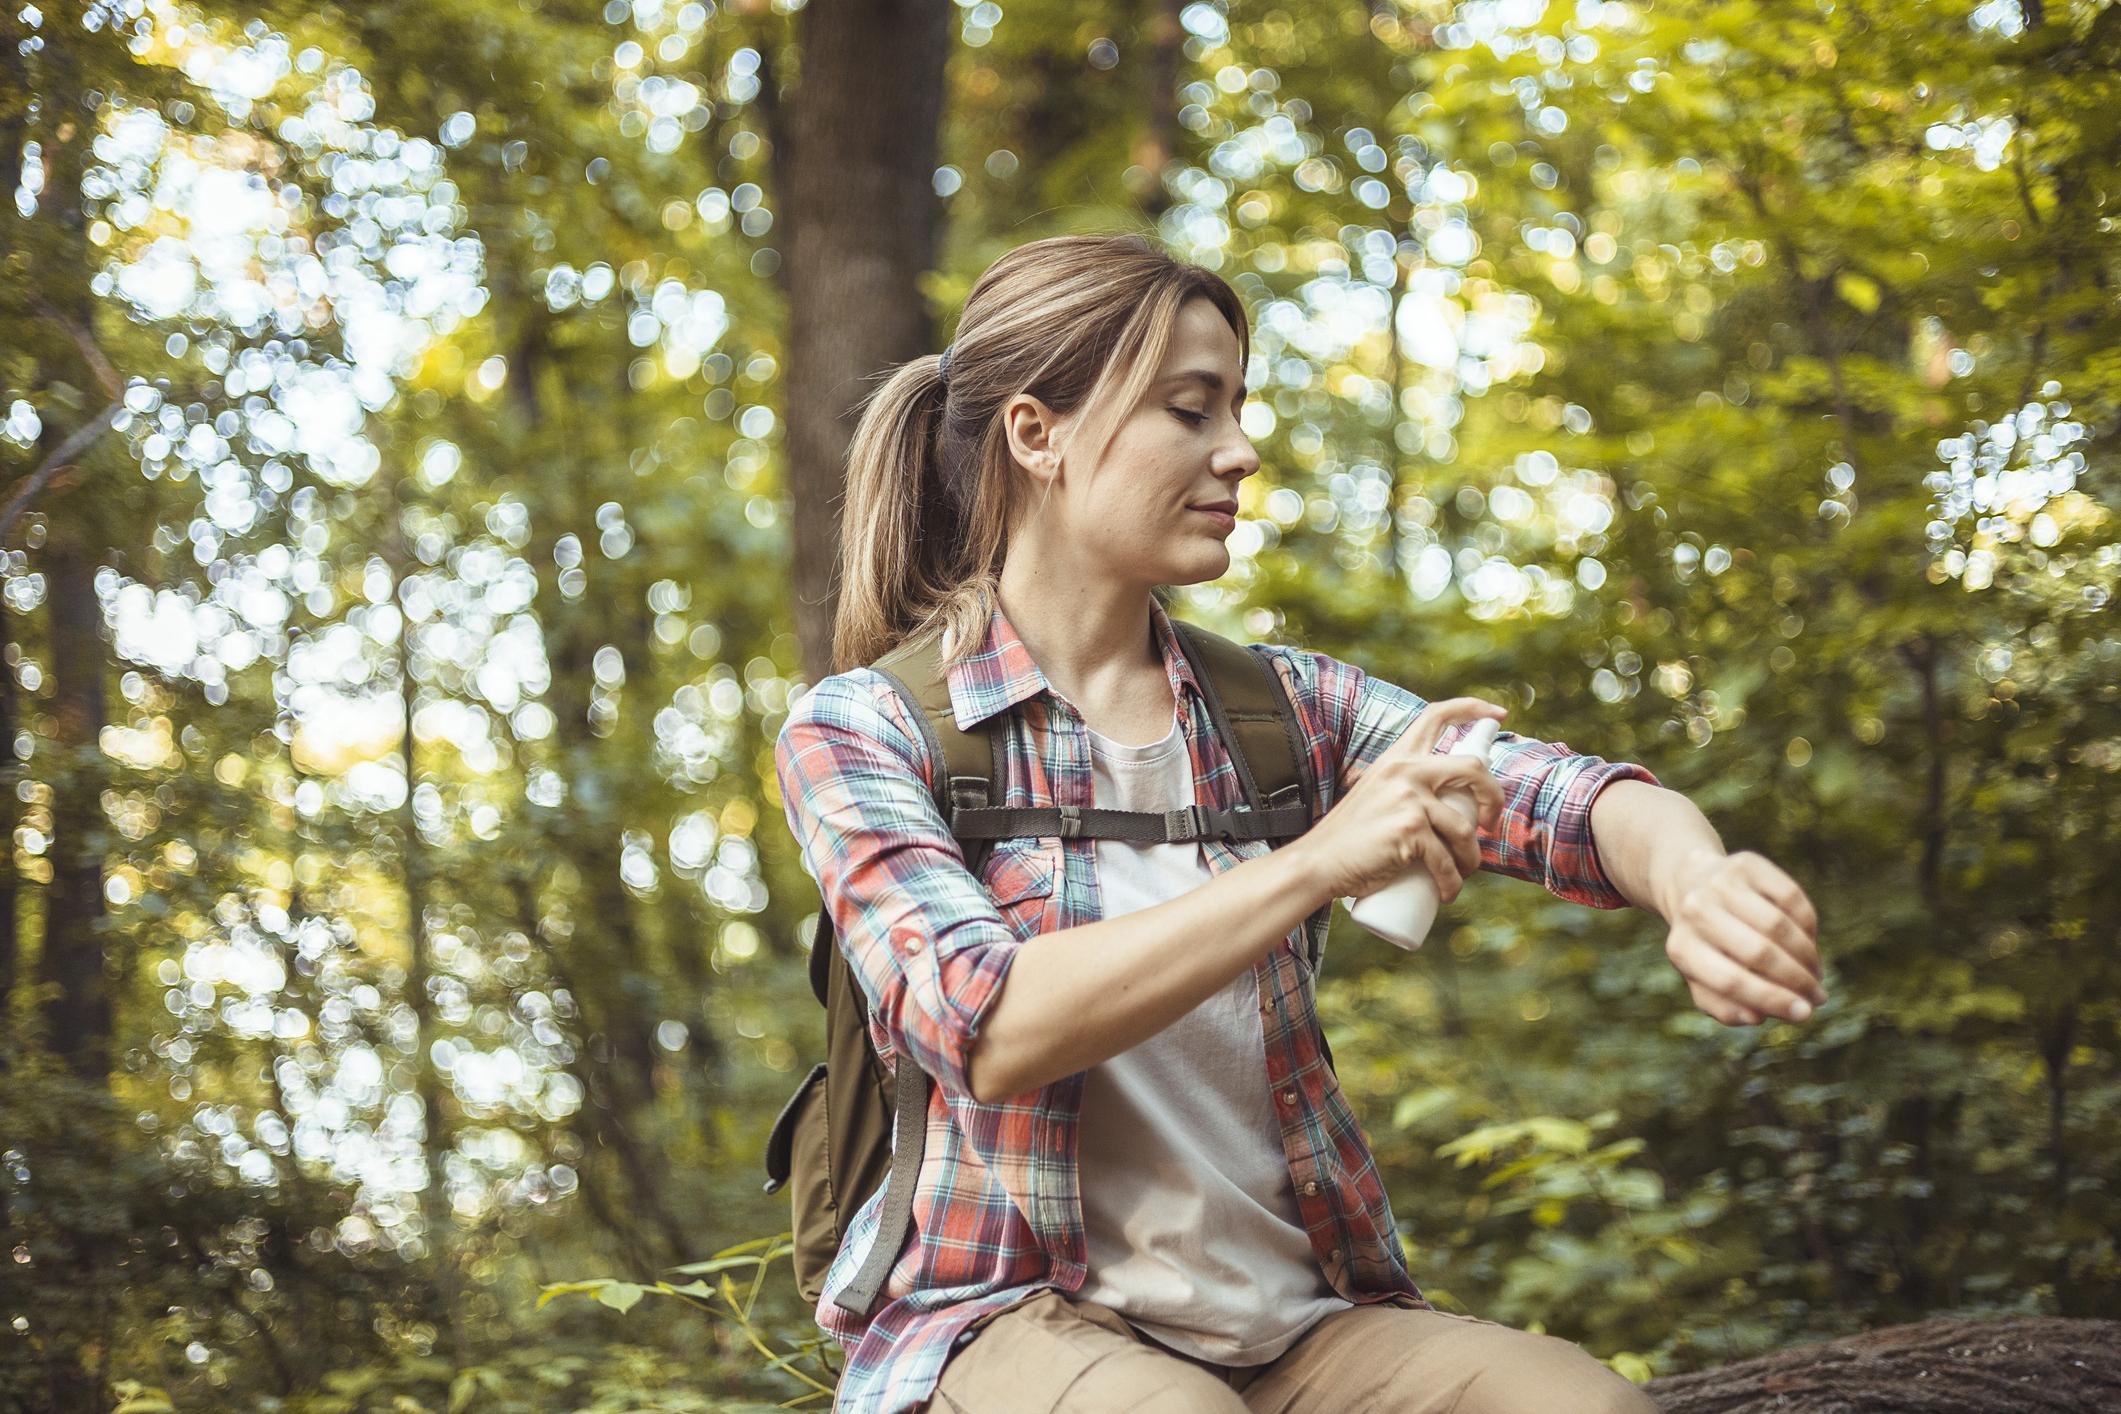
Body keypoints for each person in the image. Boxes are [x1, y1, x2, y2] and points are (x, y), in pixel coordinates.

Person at [773, 232, 1827, 1414]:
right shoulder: (865, 730)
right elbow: (984, 1025)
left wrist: (1698, 880)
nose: (1241, 449)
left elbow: (1568, 801)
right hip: (1012, 1317)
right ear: (1038, 434)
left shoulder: (1279, 709)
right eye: (1190, 408)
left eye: (1237, 405)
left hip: (1297, 1328)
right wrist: (1319, 861)